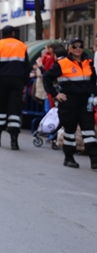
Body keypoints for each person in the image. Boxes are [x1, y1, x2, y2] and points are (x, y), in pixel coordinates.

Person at [43, 38, 97, 169]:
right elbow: (47, 77)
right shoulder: (62, 63)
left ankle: (94, 159)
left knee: (89, 130)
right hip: (69, 101)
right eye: (75, 46)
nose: (78, 48)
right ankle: (69, 157)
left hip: (85, 101)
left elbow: (94, 81)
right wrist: (55, 94)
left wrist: (94, 94)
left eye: (80, 46)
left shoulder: (89, 62)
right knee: (70, 131)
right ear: (70, 49)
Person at [0, 25, 30, 149]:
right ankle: (14, 141)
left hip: (2, 80)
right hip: (17, 80)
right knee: (14, 110)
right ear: (13, 33)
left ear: (2, 34)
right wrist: (25, 83)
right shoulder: (22, 45)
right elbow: (27, 67)